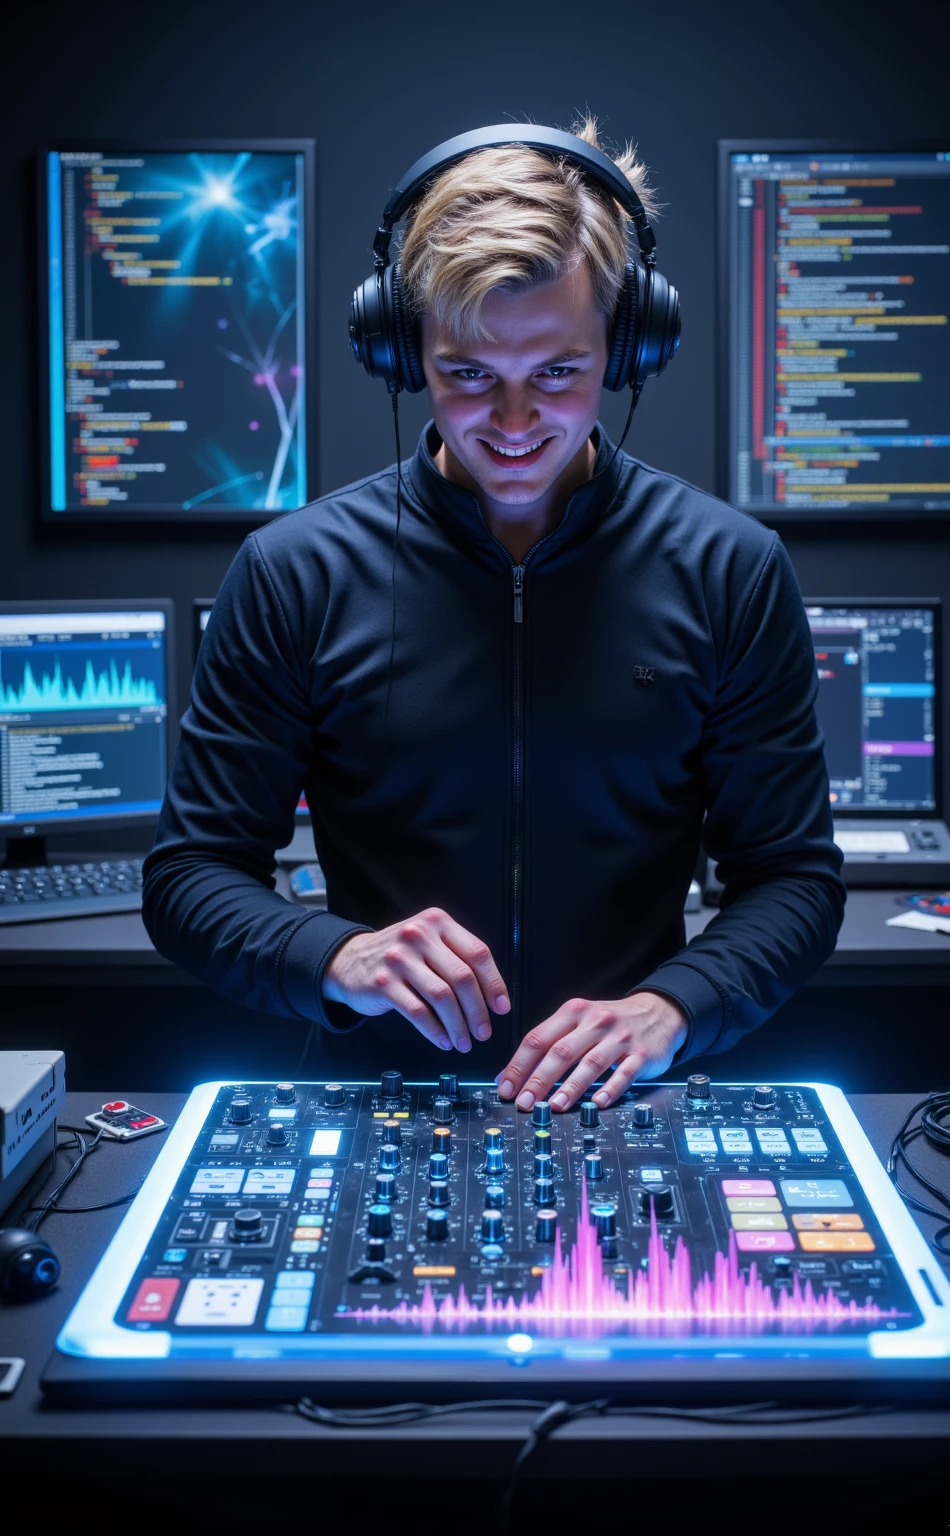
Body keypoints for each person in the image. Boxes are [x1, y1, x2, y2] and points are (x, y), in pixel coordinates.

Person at [143, 119, 844, 1113]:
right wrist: (335, 952)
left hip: (626, 1102)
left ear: (629, 344)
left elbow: (792, 881)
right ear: (401, 350)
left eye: (558, 372)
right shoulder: (293, 572)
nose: (514, 426)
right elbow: (190, 878)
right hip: (377, 1099)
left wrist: (675, 1006)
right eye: (467, 373)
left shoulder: (728, 568)